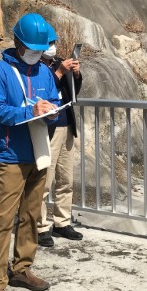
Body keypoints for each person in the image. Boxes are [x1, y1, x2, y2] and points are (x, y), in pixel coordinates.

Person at [0, 13, 61, 291]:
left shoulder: (44, 72)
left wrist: (53, 112)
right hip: (10, 156)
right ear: (17, 41)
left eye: (40, 49)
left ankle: (22, 268)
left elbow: (53, 101)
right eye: (31, 48)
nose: (36, 54)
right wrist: (30, 111)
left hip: (38, 152)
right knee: (3, 219)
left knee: (31, 215)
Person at [37, 23, 84, 247]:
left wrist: (75, 74)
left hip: (66, 126)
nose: (52, 47)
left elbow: (72, 92)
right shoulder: (35, 68)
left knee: (66, 179)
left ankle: (62, 222)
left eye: (53, 42)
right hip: (48, 129)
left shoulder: (58, 63)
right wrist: (59, 73)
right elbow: (42, 92)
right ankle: (40, 226)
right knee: (44, 181)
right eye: (48, 43)